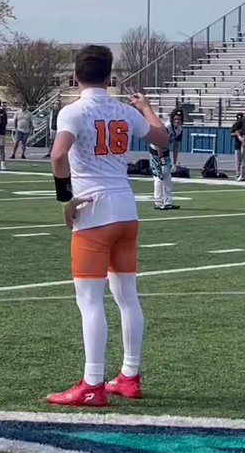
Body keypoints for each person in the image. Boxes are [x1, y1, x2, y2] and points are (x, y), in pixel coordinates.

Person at [47, 44, 168, 406]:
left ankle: (92, 383)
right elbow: (161, 139)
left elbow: (58, 155)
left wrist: (65, 199)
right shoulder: (124, 111)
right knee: (127, 297)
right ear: (110, 77)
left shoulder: (73, 111)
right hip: (126, 209)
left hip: (94, 211)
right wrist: (145, 107)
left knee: (89, 301)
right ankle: (129, 375)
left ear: (75, 77)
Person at [148, 112, 180, 211]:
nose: (177, 121)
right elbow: (158, 144)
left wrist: (174, 162)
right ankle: (158, 202)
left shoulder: (179, 130)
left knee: (167, 177)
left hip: (165, 152)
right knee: (158, 177)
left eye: (179, 119)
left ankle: (167, 202)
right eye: (175, 119)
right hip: (155, 153)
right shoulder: (166, 127)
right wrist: (161, 161)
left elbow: (176, 146)